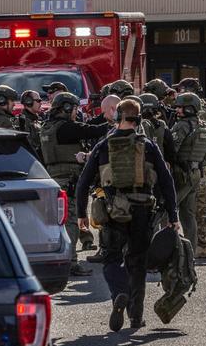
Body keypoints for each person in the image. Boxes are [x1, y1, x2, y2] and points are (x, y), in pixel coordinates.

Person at [75, 98, 180, 332]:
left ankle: (119, 292)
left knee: (112, 258)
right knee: (138, 263)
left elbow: (83, 182)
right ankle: (135, 316)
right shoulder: (149, 146)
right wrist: (173, 215)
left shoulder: (103, 145)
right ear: (139, 119)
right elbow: (166, 181)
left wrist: (81, 213)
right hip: (143, 211)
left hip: (113, 210)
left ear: (118, 116)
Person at [40, 92, 113, 277]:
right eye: (74, 109)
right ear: (66, 108)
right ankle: (71, 262)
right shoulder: (66, 128)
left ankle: (58, 259)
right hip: (68, 180)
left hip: (54, 179)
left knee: (57, 223)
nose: (76, 112)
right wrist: (114, 122)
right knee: (71, 221)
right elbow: (89, 130)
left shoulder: (48, 126)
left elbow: (85, 127)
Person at [176, 77, 206, 257]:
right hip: (197, 167)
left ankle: (200, 245)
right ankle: (194, 247)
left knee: (194, 207)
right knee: (190, 211)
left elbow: (175, 146)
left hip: (189, 168)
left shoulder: (193, 117)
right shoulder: (200, 119)